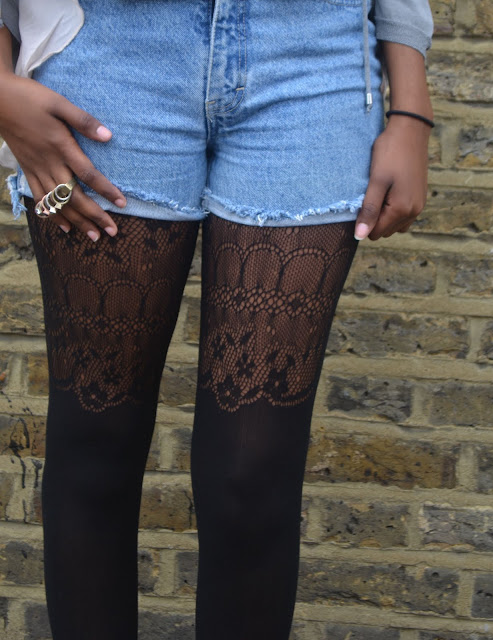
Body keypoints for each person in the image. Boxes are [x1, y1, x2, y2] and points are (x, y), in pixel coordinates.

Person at [0, 1, 434, 638]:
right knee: (96, 442)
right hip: (109, 57)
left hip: (310, 64)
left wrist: (412, 110)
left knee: (251, 475)